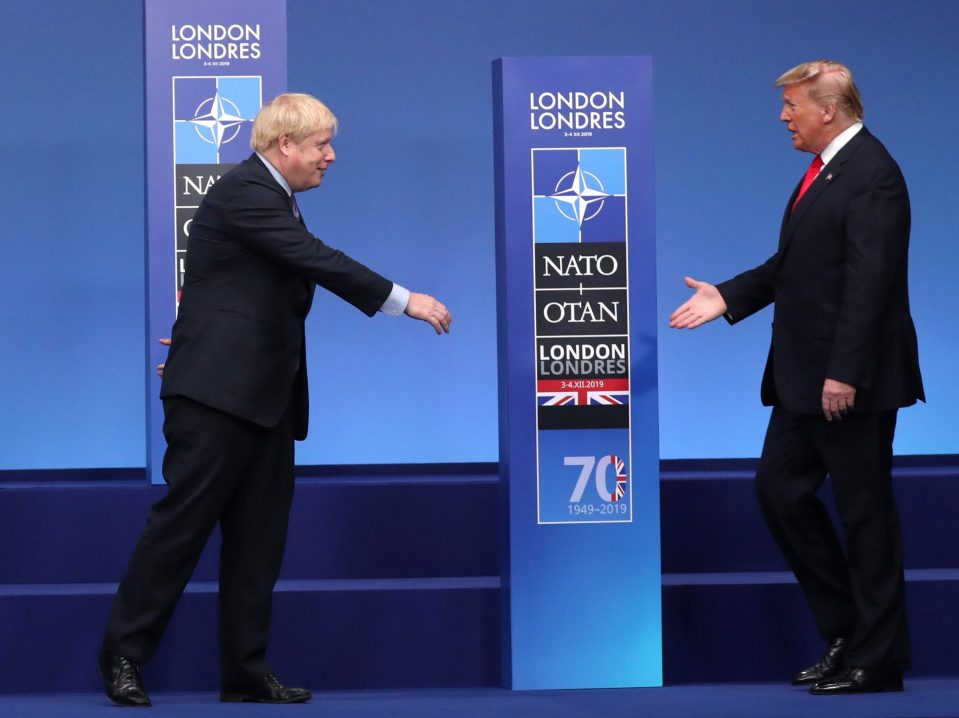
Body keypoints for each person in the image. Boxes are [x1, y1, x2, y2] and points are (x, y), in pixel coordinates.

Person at [99, 93, 452, 707]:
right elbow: (312, 260)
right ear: (284, 144)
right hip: (215, 398)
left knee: (259, 542)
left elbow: (235, 286)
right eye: (322, 146)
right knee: (180, 530)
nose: (331, 157)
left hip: (263, 396)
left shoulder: (274, 199)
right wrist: (403, 300)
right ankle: (123, 656)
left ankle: (245, 671)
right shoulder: (245, 191)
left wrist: (201, 335)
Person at [669, 61, 923, 694]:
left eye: (791, 106)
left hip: (847, 383)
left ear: (828, 110)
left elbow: (871, 282)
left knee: (867, 517)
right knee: (779, 492)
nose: (784, 117)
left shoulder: (873, 175)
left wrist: (845, 373)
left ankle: (878, 659)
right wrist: (728, 295)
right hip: (803, 379)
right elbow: (796, 264)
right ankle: (846, 633)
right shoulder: (826, 172)